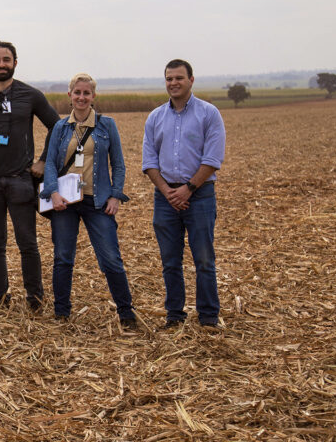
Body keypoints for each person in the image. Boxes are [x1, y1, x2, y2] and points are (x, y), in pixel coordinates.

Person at [0, 39, 59, 310]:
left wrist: (42, 161)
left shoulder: (31, 95)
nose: (1, 65)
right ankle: (1, 299)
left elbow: (57, 127)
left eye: (6, 60)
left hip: (21, 180)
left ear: (15, 63)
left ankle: (35, 298)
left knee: (27, 242)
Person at [41, 73, 137, 328]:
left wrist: (116, 195)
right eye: (77, 92)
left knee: (110, 258)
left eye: (86, 93)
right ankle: (61, 312)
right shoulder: (60, 128)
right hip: (66, 203)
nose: (81, 97)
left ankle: (126, 313)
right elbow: (50, 163)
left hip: (99, 202)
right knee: (63, 257)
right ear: (70, 95)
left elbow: (118, 164)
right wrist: (52, 192)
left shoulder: (107, 125)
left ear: (93, 97)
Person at [142, 59, 226, 328]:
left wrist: (188, 189)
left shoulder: (209, 113)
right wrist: (168, 191)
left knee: (203, 259)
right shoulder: (155, 117)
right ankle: (174, 315)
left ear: (191, 80)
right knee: (170, 261)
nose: (173, 83)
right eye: (169, 78)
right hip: (165, 197)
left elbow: (213, 158)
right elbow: (149, 161)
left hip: (200, 195)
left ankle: (208, 316)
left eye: (179, 78)